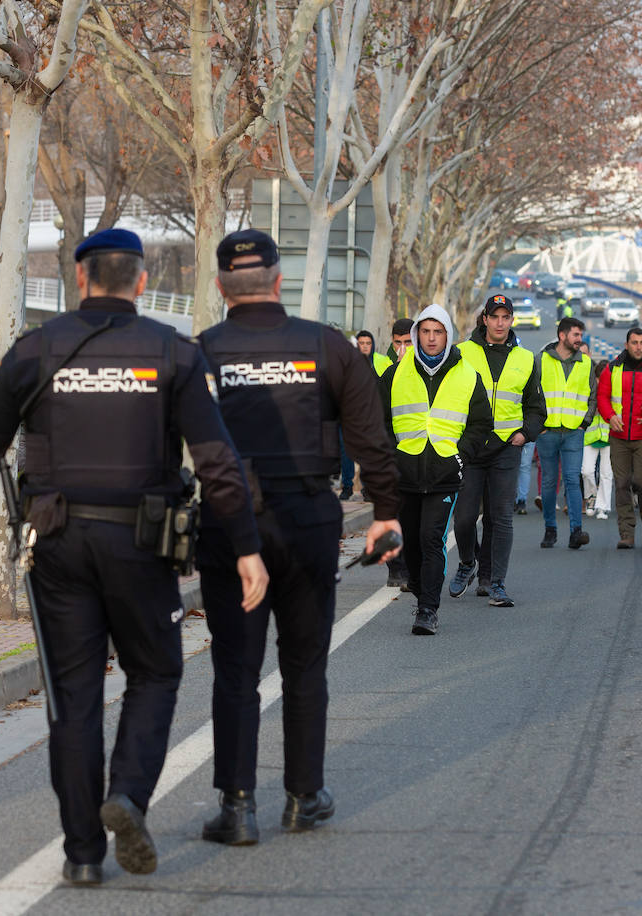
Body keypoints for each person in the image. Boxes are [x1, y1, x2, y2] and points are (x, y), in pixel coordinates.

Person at [0, 228, 268, 885]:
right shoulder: (172, 353)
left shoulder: (33, 350)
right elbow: (217, 461)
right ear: (140, 282)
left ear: (79, 280)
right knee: (155, 673)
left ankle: (81, 855)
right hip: (142, 544)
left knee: (73, 698)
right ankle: (127, 794)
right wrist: (245, 546)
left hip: (57, 543)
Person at [195, 228, 400, 848]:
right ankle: (303, 797)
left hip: (231, 524)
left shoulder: (202, 351)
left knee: (235, 666)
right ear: (279, 281)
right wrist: (387, 511)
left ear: (220, 287)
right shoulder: (327, 346)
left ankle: (236, 806)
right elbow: (369, 436)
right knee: (305, 662)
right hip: (310, 518)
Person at [383, 303, 492, 635]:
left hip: (444, 475)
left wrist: (460, 456)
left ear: (448, 336)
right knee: (411, 543)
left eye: (438, 332)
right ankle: (421, 588)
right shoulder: (395, 373)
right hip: (405, 473)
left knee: (432, 539)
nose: (431, 339)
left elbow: (481, 423)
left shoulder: (467, 376)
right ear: (417, 335)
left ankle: (427, 610)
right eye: (426, 332)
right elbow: (376, 420)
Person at [449, 294, 545, 608]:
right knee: (464, 519)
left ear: (511, 320)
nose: (500, 323)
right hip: (470, 448)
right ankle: (467, 563)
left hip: (506, 449)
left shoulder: (526, 359)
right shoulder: (461, 353)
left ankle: (495, 583)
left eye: (506, 317)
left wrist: (524, 433)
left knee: (499, 517)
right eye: (495, 317)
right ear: (485, 320)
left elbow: (536, 408)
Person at [597, 327, 642, 548]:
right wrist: (610, 416)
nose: (638, 347)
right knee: (622, 484)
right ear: (627, 345)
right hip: (619, 436)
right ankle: (626, 533)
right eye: (634, 343)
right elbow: (603, 397)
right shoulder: (613, 368)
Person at [537, 316, 596, 549]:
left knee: (573, 479)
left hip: (574, 431)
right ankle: (550, 530)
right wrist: (539, 426)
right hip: (547, 432)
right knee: (550, 481)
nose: (579, 339)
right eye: (576, 335)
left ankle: (576, 531)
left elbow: (592, 396)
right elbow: (532, 394)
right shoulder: (541, 360)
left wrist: (585, 423)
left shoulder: (587, 363)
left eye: (581, 335)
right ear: (562, 336)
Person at [379, 318, 415, 589]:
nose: (403, 349)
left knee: (417, 518)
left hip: (424, 456)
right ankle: (397, 568)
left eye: (408, 343)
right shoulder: (388, 375)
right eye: (398, 343)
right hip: (394, 455)